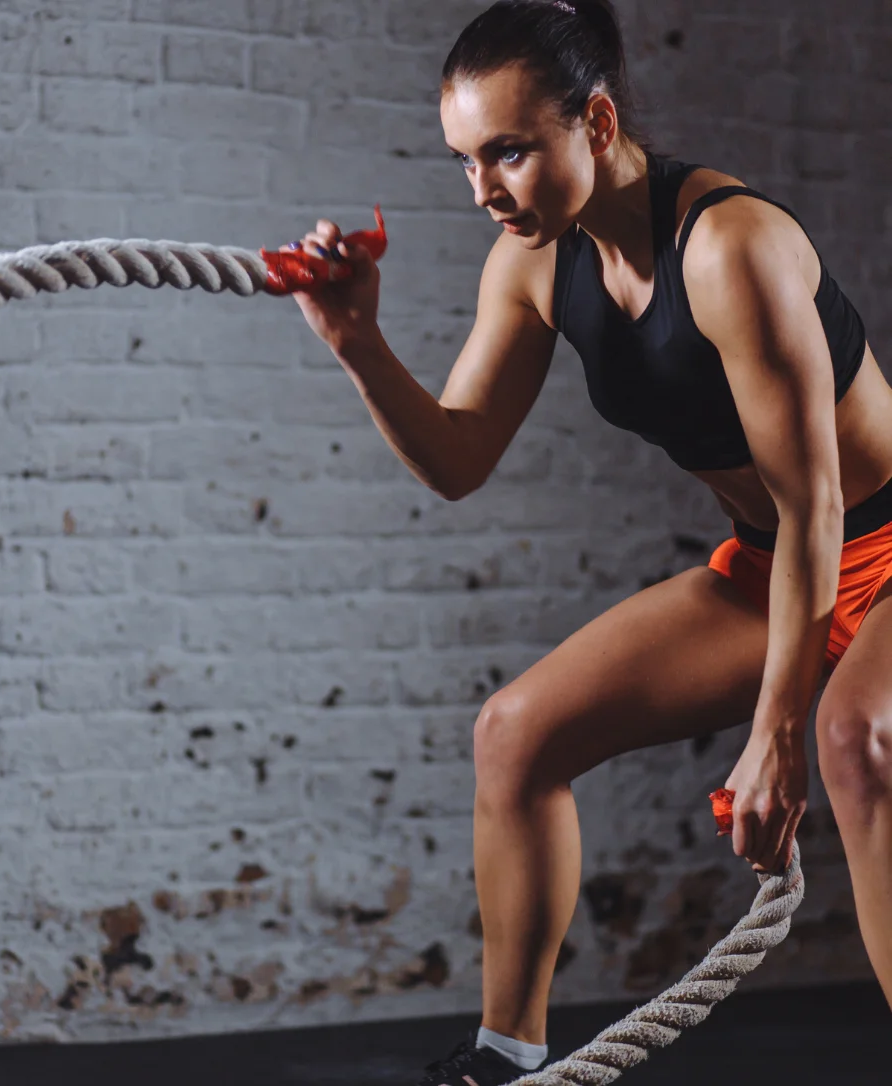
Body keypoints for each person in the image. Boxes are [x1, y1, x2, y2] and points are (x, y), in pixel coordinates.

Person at [282, 1, 892, 1082]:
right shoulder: (533, 266)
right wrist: (359, 344)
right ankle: (504, 1058)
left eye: (509, 152)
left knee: (855, 745)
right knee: (515, 735)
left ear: (597, 122)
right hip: (774, 562)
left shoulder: (732, 248)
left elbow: (822, 508)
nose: (484, 190)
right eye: (468, 160)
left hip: (870, 542)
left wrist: (777, 729)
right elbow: (461, 459)